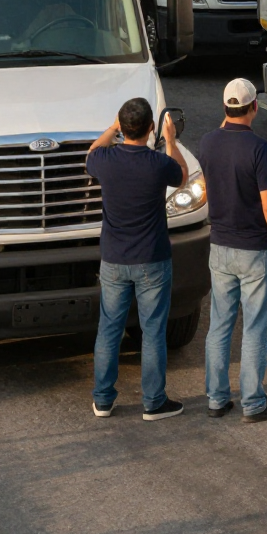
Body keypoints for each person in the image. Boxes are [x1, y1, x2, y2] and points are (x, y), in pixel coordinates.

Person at [87, 96, 187, 422]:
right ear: (150, 128)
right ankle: (153, 402)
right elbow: (181, 175)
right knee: (153, 331)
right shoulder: (158, 164)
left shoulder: (105, 160)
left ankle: (103, 401)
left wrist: (112, 127)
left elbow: (91, 153)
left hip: (114, 259)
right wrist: (171, 140)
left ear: (123, 126)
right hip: (152, 258)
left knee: (109, 330)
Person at [199, 78, 267, 422]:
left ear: (225, 109)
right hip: (254, 249)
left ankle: (216, 399)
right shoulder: (259, 149)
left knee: (219, 324)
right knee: (255, 327)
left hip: (220, 246)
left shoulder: (208, 144)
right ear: (254, 107)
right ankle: (253, 402)